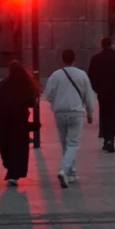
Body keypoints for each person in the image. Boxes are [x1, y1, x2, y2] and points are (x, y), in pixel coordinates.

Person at [43, 49, 95, 188]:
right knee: (73, 144)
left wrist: (57, 101)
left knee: (65, 144)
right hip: (76, 112)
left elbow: (48, 95)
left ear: (63, 60)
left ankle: (71, 172)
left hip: (59, 113)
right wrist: (90, 113)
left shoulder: (55, 75)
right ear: (74, 59)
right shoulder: (81, 74)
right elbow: (88, 96)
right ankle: (64, 170)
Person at [0, 61, 39, 186]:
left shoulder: (1, 85)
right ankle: (14, 173)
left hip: (3, 122)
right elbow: (32, 103)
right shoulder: (26, 85)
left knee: (6, 147)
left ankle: (11, 170)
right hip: (19, 123)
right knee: (19, 149)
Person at [88, 37, 115, 154]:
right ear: (112, 44)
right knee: (113, 116)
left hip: (102, 92)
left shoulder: (96, 59)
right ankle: (110, 139)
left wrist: (97, 88)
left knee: (104, 115)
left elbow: (91, 76)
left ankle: (106, 139)